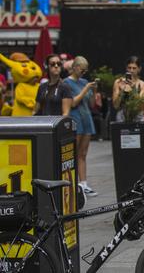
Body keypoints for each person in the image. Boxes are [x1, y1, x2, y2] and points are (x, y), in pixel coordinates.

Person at [62, 56, 98, 196]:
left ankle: (83, 183)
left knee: (83, 154)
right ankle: (72, 183)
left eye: (85, 70)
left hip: (86, 119)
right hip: (75, 120)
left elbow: (92, 104)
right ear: (75, 67)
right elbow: (73, 103)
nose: (83, 73)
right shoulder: (66, 83)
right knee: (73, 154)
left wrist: (94, 91)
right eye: (82, 69)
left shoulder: (84, 82)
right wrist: (86, 88)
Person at [112, 56, 144, 122]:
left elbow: (140, 105)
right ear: (126, 68)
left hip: (138, 118)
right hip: (122, 117)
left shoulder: (143, 85)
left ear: (139, 69)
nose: (131, 70)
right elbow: (116, 105)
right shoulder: (118, 82)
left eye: (134, 68)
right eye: (129, 68)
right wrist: (122, 91)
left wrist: (133, 88)